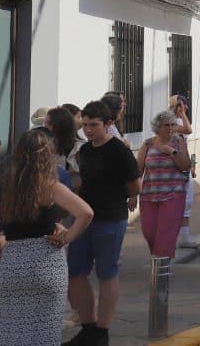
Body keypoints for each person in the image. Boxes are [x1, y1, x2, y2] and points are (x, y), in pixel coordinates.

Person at [0, 129, 94, 346]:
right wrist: (66, 236)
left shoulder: (5, 187)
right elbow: (86, 212)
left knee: (10, 332)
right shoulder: (51, 187)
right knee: (44, 333)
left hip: (13, 263)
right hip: (46, 263)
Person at [65, 101, 141, 346]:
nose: (88, 130)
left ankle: (102, 330)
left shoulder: (119, 150)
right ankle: (88, 326)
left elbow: (134, 186)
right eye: (85, 125)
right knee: (75, 271)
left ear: (108, 124)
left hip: (110, 217)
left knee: (107, 272)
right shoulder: (85, 150)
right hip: (85, 217)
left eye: (94, 125)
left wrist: (130, 199)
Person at [137, 110, 191, 260]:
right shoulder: (148, 144)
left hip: (173, 195)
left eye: (173, 124)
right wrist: (133, 195)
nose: (171, 128)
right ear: (157, 127)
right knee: (149, 232)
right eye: (166, 125)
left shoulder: (179, 141)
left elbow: (185, 166)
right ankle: (159, 257)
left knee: (166, 233)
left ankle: (161, 267)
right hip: (149, 195)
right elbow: (138, 171)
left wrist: (172, 152)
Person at [169, 95, 198, 249]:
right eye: (182, 105)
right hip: (175, 167)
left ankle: (185, 236)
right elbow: (188, 129)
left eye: (185, 105)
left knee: (187, 201)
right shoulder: (170, 122)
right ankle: (173, 237)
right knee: (175, 203)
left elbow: (186, 144)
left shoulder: (180, 120)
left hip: (184, 166)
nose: (185, 107)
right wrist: (181, 113)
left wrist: (191, 165)